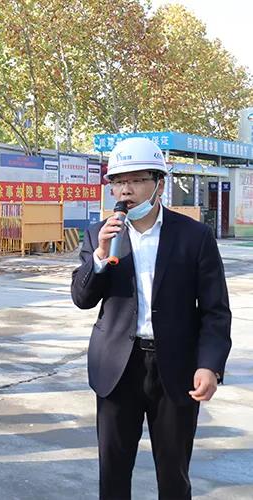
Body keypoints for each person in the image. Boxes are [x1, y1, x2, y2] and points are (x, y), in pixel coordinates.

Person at [70, 137, 231, 500]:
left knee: (174, 475)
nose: (125, 190)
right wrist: (99, 258)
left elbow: (215, 310)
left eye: (136, 180)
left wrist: (209, 365)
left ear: (159, 183)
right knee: (113, 473)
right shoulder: (99, 234)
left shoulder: (194, 236)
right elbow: (82, 298)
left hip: (175, 368)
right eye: (117, 182)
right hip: (117, 369)